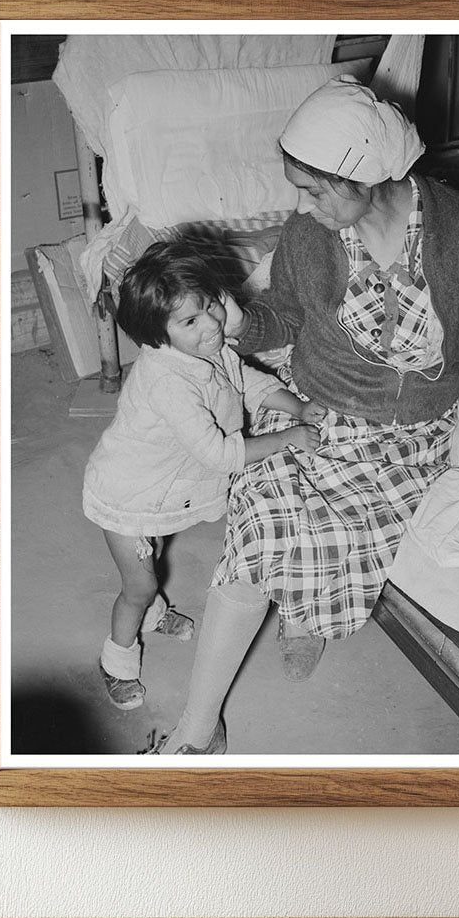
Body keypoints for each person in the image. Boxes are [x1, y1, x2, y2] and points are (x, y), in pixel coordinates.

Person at [152, 77, 459, 755]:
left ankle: (303, 616)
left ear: (365, 174)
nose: (299, 207)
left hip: (413, 436)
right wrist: (239, 323)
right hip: (317, 410)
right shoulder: (311, 238)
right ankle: (197, 734)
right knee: (256, 534)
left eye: (313, 189)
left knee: (332, 535)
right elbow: (283, 316)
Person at [82, 241, 325, 716]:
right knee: (138, 585)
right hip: (128, 498)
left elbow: (246, 380)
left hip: (164, 489)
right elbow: (219, 454)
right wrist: (287, 438)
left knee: (152, 562)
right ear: (156, 336)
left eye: (211, 305)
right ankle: (117, 660)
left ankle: (154, 614)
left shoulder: (209, 348)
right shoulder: (167, 380)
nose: (212, 324)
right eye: (190, 321)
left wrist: (295, 406)